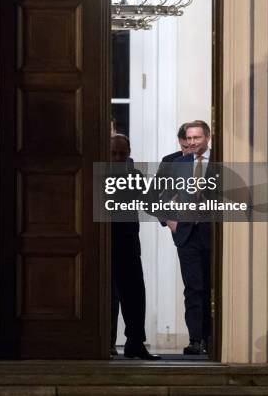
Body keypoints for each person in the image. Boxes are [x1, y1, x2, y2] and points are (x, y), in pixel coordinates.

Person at [110, 134, 160, 360]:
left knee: (134, 295)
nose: (118, 157)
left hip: (128, 242)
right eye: (114, 153)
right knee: (106, 296)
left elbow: (150, 203)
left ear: (129, 153)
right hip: (100, 245)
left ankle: (135, 343)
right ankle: (105, 343)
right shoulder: (96, 175)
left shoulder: (134, 176)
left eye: (122, 153)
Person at [166, 120, 213, 356]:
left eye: (198, 137)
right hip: (187, 236)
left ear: (207, 137)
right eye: (190, 138)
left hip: (214, 236)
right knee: (193, 288)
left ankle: (212, 338)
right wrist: (171, 222)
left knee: (213, 288)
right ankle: (196, 339)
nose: (193, 142)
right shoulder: (178, 163)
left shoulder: (220, 161)